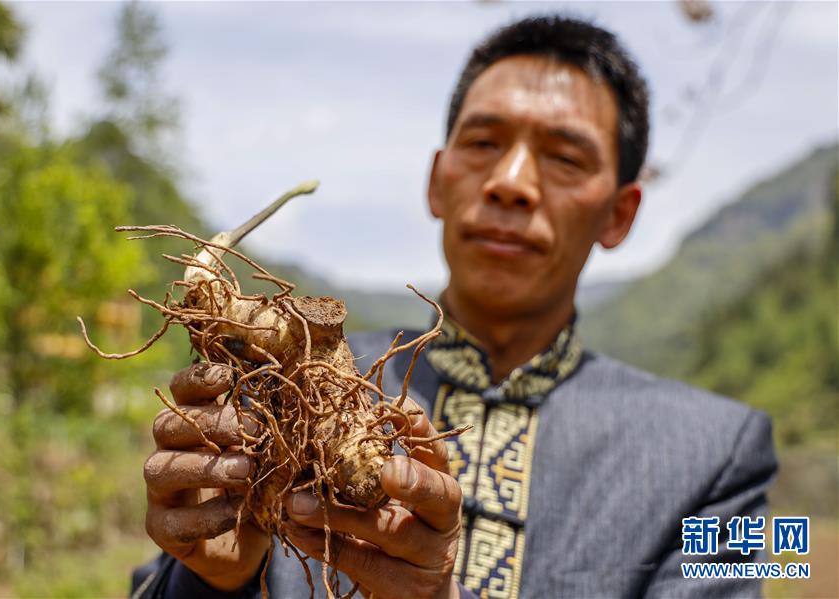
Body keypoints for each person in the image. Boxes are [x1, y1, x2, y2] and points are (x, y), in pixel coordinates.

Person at [132, 15, 777, 599]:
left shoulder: (722, 453)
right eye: (484, 143)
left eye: (564, 157)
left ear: (620, 213)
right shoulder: (285, 383)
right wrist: (210, 580)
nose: (511, 182)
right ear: (438, 182)